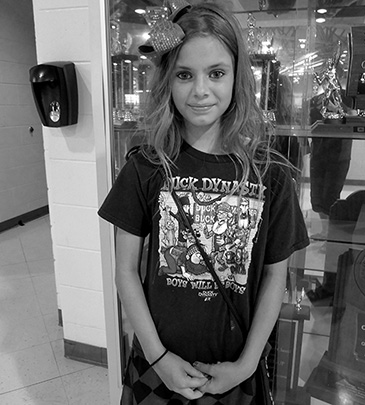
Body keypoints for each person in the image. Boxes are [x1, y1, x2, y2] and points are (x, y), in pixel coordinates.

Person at [98, 2, 309, 404]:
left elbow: (274, 278)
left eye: (216, 73)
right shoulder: (145, 167)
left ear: (237, 77)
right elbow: (125, 271)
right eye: (184, 74)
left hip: (235, 370)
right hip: (158, 366)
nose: (200, 90)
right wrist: (159, 358)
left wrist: (246, 365)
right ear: (167, 80)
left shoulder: (271, 175)